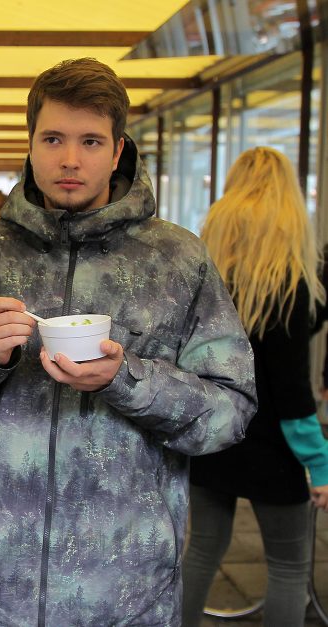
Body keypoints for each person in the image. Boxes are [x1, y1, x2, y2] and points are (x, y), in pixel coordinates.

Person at [0, 58, 257, 625]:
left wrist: (126, 380)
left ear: (118, 150)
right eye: (53, 138)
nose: (70, 159)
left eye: (91, 141)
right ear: (31, 142)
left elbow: (230, 413)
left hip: (122, 590)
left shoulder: (177, 259)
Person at [182, 147, 328, 626]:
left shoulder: (209, 277)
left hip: (212, 435)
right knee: (288, 566)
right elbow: (290, 391)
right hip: (273, 448)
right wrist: (319, 463)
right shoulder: (286, 284)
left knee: (201, 552)